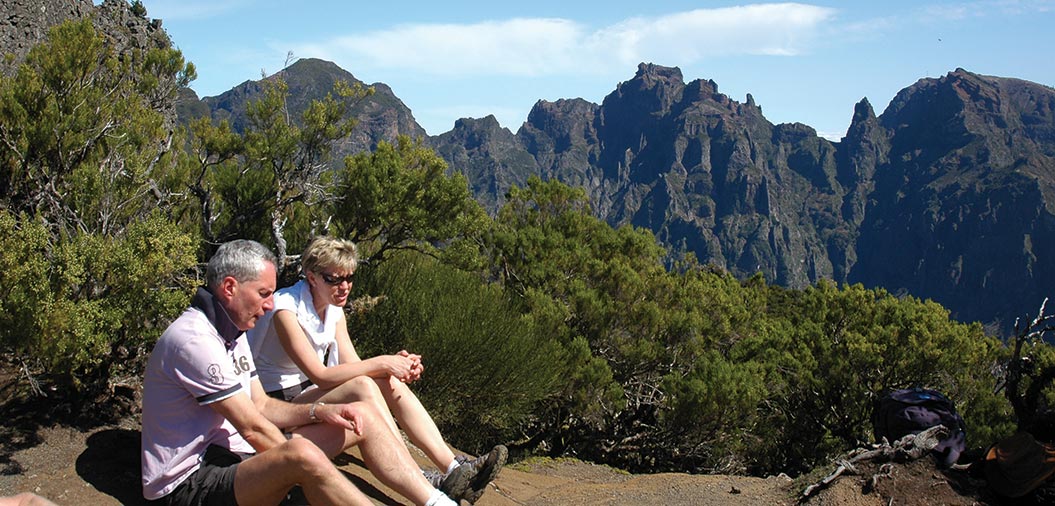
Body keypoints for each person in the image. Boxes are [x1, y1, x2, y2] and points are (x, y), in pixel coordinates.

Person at [140, 239, 474, 506]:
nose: (269, 304)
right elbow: (254, 426)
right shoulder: (196, 341)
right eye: (263, 294)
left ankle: (436, 500)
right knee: (302, 456)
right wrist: (305, 466)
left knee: (360, 416)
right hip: (191, 484)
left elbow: (262, 407)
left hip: (233, 455)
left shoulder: (232, 331)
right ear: (229, 288)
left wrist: (321, 412)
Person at [247, 236, 506, 504]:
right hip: (277, 402)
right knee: (365, 384)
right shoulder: (285, 310)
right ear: (312, 277)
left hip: (307, 395)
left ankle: (452, 467)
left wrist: (395, 368)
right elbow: (319, 375)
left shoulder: (333, 310)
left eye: (349, 278)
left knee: (381, 380)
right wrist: (383, 362)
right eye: (334, 279)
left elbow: (352, 364)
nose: (344, 286)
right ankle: (418, 476)